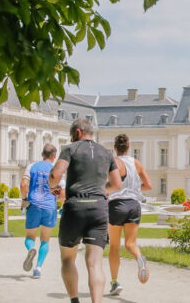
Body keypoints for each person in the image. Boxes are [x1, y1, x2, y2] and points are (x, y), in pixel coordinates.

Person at [49, 119, 122, 303]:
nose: (72, 137)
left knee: (67, 258)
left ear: (79, 132)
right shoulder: (106, 153)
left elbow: (55, 175)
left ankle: (75, 300)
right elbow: (116, 184)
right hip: (99, 207)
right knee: (95, 264)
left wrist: (53, 186)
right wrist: (100, 189)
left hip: (75, 207)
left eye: (72, 134)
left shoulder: (70, 149)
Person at [107, 134, 152, 295]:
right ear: (128, 147)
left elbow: (112, 184)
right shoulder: (136, 163)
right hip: (134, 205)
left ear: (115, 148)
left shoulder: (114, 162)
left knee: (114, 246)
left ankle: (114, 282)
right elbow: (148, 185)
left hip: (117, 205)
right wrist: (135, 190)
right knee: (130, 244)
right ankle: (140, 258)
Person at [20, 144, 59, 279]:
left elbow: (24, 185)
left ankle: (31, 248)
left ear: (42, 154)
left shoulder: (32, 166)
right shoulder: (56, 170)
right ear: (54, 156)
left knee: (29, 237)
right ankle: (38, 269)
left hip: (34, 205)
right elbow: (60, 192)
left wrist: (24, 198)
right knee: (45, 240)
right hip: (49, 207)